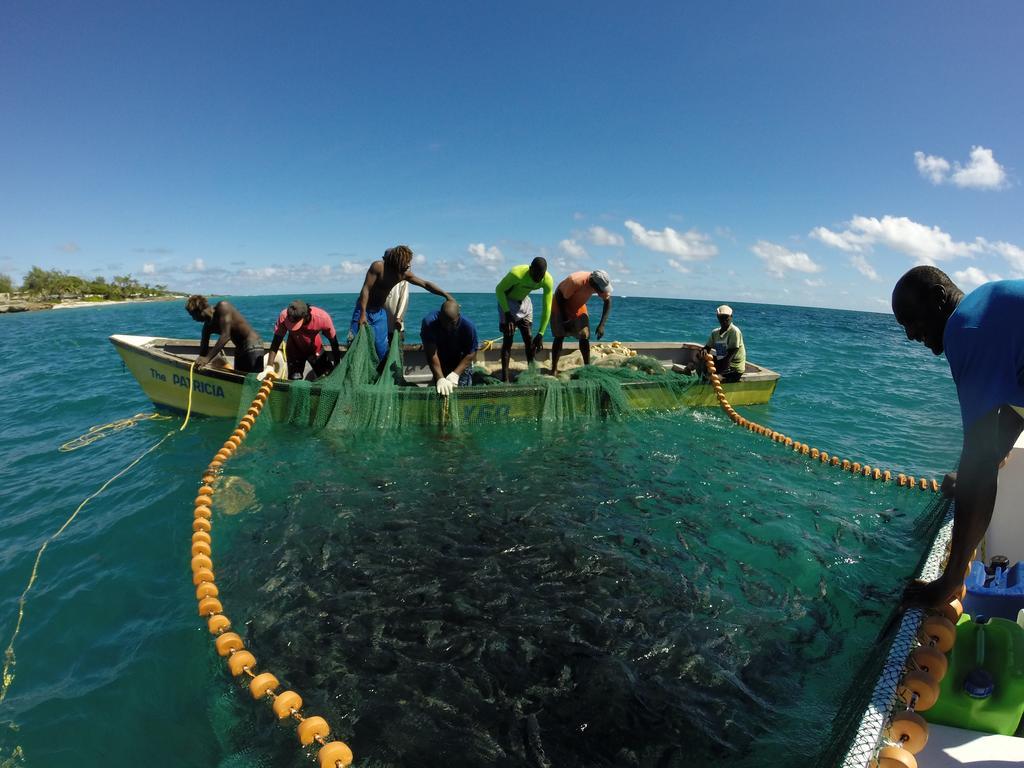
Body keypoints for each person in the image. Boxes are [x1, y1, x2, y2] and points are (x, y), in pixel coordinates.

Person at [892, 266, 1024, 609]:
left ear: (938, 300)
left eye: (910, 320)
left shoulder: (966, 329)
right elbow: (1013, 407)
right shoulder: (988, 308)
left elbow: (979, 463)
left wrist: (949, 581)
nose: (909, 335)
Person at [351, 245, 453, 362]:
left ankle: (379, 375)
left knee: (381, 349)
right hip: (363, 309)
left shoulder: (404, 274)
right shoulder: (378, 267)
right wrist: (363, 314)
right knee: (355, 343)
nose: (408, 265)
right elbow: (366, 289)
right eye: (406, 262)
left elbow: (425, 284)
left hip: (379, 313)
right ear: (398, 260)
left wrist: (446, 295)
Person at [494, 257, 554, 381]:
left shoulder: (547, 280)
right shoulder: (516, 274)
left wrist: (541, 333)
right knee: (508, 340)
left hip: (525, 303)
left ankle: (531, 374)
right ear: (530, 269)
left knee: (529, 339)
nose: (537, 280)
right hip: (507, 303)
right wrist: (507, 314)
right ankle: (505, 379)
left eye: (540, 277)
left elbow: (547, 307)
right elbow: (499, 290)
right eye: (535, 276)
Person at [549, 269, 612, 376]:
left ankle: (587, 367)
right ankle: (554, 369)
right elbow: (559, 295)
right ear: (593, 283)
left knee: (584, 335)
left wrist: (602, 325)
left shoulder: (599, 284)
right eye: (600, 289)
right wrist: (565, 319)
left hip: (578, 306)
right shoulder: (575, 281)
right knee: (559, 335)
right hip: (560, 305)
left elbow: (607, 301)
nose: (602, 292)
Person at [185, 295, 265, 373]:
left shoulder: (223, 306)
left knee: (254, 380)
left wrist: (207, 359)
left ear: (199, 310)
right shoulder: (207, 327)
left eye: (192, 315)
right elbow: (203, 350)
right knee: (238, 380)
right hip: (239, 348)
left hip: (253, 344)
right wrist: (200, 361)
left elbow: (226, 336)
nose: (193, 319)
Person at [264, 300, 341, 381]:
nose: (292, 326)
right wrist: (269, 366)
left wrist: (337, 366)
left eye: (295, 324)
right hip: (294, 350)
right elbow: (276, 342)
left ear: (306, 316)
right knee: (294, 380)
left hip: (314, 349)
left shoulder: (322, 318)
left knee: (326, 377)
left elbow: (334, 343)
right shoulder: (284, 316)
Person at [420, 299, 479, 397]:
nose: (448, 327)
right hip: (440, 360)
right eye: (444, 322)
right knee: (441, 392)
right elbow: (431, 353)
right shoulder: (429, 323)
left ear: (458, 317)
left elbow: (471, 352)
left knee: (462, 395)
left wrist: (456, 374)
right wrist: (440, 378)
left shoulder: (468, 326)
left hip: (461, 361)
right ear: (439, 316)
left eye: (452, 323)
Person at [699, 305, 746, 382]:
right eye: (721, 317)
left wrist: (719, 374)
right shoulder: (715, 333)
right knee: (700, 358)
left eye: (726, 317)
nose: (724, 319)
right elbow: (707, 348)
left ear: (731, 317)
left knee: (712, 378)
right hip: (721, 361)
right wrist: (704, 351)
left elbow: (729, 357)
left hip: (733, 368)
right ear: (717, 317)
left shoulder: (735, 331)